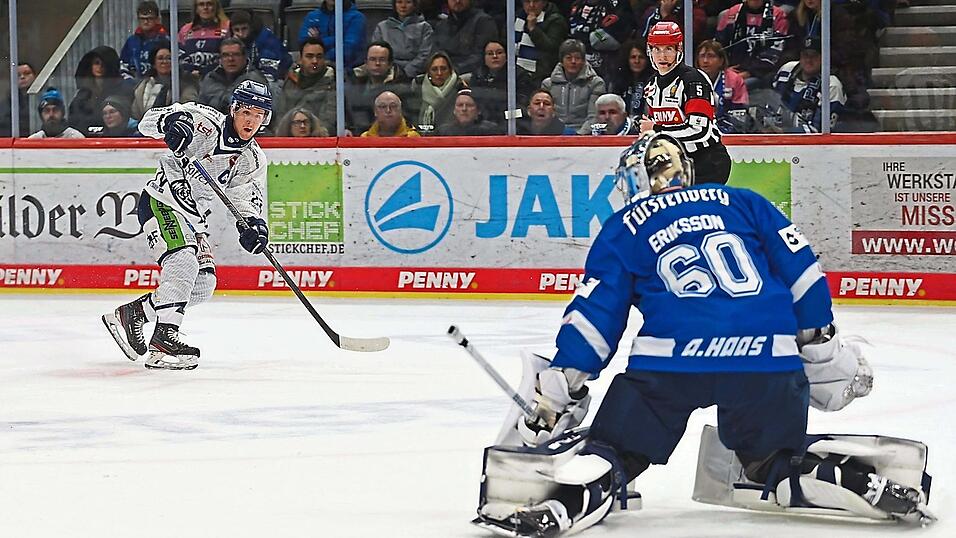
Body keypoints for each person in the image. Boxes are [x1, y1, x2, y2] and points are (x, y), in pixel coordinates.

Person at [473, 132, 933, 536]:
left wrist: (559, 389)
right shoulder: (745, 202)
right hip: (766, 360)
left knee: (615, 449)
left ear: (635, 180)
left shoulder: (624, 226)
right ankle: (846, 479)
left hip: (671, 365)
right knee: (771, 459)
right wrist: (821, 346)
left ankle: (570, 499)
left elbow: (596, 318)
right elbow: (805, 276)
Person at [102, 80, 273, 371]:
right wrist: (170, 122)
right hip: (162, 200)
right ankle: (164, 338)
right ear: (233, 109)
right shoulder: (201, 119)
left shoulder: (252, 159)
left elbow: (244, 197)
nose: (251, 121)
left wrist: (253, 225)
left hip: (193, 218)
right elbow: (147, 122)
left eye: (259, 115)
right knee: (183, 260)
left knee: (204, 284)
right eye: (246, 112)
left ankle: (135, 313)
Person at [640, 22, 731, 184]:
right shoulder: (651, 85)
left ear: (678, 50)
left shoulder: (693, 80)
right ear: (650, 51)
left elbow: (699, 130)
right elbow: (657, 126)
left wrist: (656, 130)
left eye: (669, 49)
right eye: (657, 49)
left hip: (707, 162)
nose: (662, 56)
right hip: (677, 163)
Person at [773, 36, 846, 133]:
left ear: (824, 58)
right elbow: (771, 101)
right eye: (805, 55)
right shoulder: (787, 70)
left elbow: (822, 131)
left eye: (814, 56)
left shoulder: (831, 85)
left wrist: (784, 133)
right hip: (778, 135)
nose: (808, 60)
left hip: (812, 141)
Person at [715, 0, 790, 88]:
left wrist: (750, 72)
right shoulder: (732, 13)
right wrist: (724, 68)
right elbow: (719, 45)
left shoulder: (777, 15)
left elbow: (775, 50)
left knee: (735, 86)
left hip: (760, 71)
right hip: (730, 68)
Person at [463, 40, 535, 128]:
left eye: (499, 52)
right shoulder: (478, 75)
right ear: (484, 58)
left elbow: (522, 110)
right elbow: (472, 101)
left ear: (507, 56)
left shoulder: (520, 75)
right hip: (481, 122)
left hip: (511, 123)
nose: (495, 56)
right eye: (490, 53)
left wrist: (501, 117)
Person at [346, 41, 410, 135]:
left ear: (390, 64)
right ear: (366, 63)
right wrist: (346, 128)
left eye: (382, 59)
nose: (377, 63)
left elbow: (406, 120)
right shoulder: (353, 84)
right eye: (372, 59)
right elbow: (347, 115)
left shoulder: (402, 88)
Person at [541, 39, 606, 132]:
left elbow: (594, 117)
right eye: (568, 58)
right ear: (561, 61)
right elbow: (545, 116)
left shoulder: (596, 83)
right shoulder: (548, 84)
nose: (573, 61)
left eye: (577, 58)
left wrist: (578, 137)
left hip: (584, 135)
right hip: (554, 134)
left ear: (583, 61)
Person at [277, 38, 337, 134]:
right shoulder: (290, 81)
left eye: (319, 57)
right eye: (309, 56)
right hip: (289, 138)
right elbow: (280, 116)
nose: (315, 61)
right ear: (300, 59)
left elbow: (329, 122)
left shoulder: (333, 83)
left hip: (319, 138)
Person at [69, 46, 131, 136]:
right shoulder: (84, 93)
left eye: (104, 64)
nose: (100, 67)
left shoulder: (123, 89)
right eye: (96, 63)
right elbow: (74, 120)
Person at [131, 41, 200, 120]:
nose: (164, 62)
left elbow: (188, 108)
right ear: (154, 63)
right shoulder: (143, 86)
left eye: (169, 58)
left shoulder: (187, 83)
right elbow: (135, 112)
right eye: (160, 58)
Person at [198, 38, 269, 114]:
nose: (231, 59)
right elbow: (199, 109)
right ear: (220, 59)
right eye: (225, 55)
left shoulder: (256, 81)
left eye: (236, 54)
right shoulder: (210, 79)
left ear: (245, 57)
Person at [370, 0, 435, 79]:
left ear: (415, 5)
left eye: (408, 2)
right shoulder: (382, 27)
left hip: (414, 75)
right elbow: (375, 52)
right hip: (386, 73)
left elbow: (425, 54)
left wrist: (406, 72)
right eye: (399, 2)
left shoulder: (425, 27)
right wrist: (392, 71)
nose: (403, 6)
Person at [432, 0, 499, 76]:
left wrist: (453, 71)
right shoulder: (441, 26)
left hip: (473, 75)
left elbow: (481, 57)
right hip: (444, 73)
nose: (457, 1)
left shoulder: (483, 21)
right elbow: (435, 55)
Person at [696, 39, 749, 132]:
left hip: (729, 129)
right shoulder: (692, 79)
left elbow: (741, 111)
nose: (705, 61)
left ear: (721, 60)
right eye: (702, 56)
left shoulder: (734, 79)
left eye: (711, 56)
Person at [229, 9, 292, 86]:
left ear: (252, 27)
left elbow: (269, 78)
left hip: (277, 81)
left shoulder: (267, 41)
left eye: (244, 29)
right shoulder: (235, 43)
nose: (241, 34)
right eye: (236, 30)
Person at [298, 0, 367, 70]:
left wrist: (318, 41)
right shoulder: (312, 16)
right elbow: (303, 42)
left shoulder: (356, 17)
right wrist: (338, 39)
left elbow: (349, 49)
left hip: (347, 69)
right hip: (315, 67)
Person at [409, 51, 466, 135]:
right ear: (428, 72)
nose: (439, 73)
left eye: (443, 69)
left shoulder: (459, 88)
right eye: (434, 69)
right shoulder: (418, 87)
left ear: (450, 70)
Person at [514, 0, 570, 85]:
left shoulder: (556, 20)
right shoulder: (517, 16)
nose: (531, 5)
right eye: (527, 1)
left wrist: (533, 29)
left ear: (544, 2)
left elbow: (551, 48)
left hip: (542, 75)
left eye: (536, 1)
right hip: (517, 72)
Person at [178, 0, 231, 78]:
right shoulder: (185, 30)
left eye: (209, 4)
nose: (205, 7)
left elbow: (229, 55)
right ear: (196, 9)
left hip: (217, 77)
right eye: (201, 4)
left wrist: (205, 71)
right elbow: (179, 56)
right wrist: (190, 70)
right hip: (189, 77)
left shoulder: (226, 27)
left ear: (216, 7)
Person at [119, 1, 169, 80]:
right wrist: (129, 82)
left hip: (158, 83)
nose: (146, 22)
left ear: (157, 19)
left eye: (150, 18)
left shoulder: (166, 40)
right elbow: (123, 65)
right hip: (134, 84)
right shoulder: (131, 41)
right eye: (142, 19)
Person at [607, 39, 654, 117]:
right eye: (633, 57)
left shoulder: (654, 82)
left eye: (641, 57)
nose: (637, 61)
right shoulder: (617, 81)